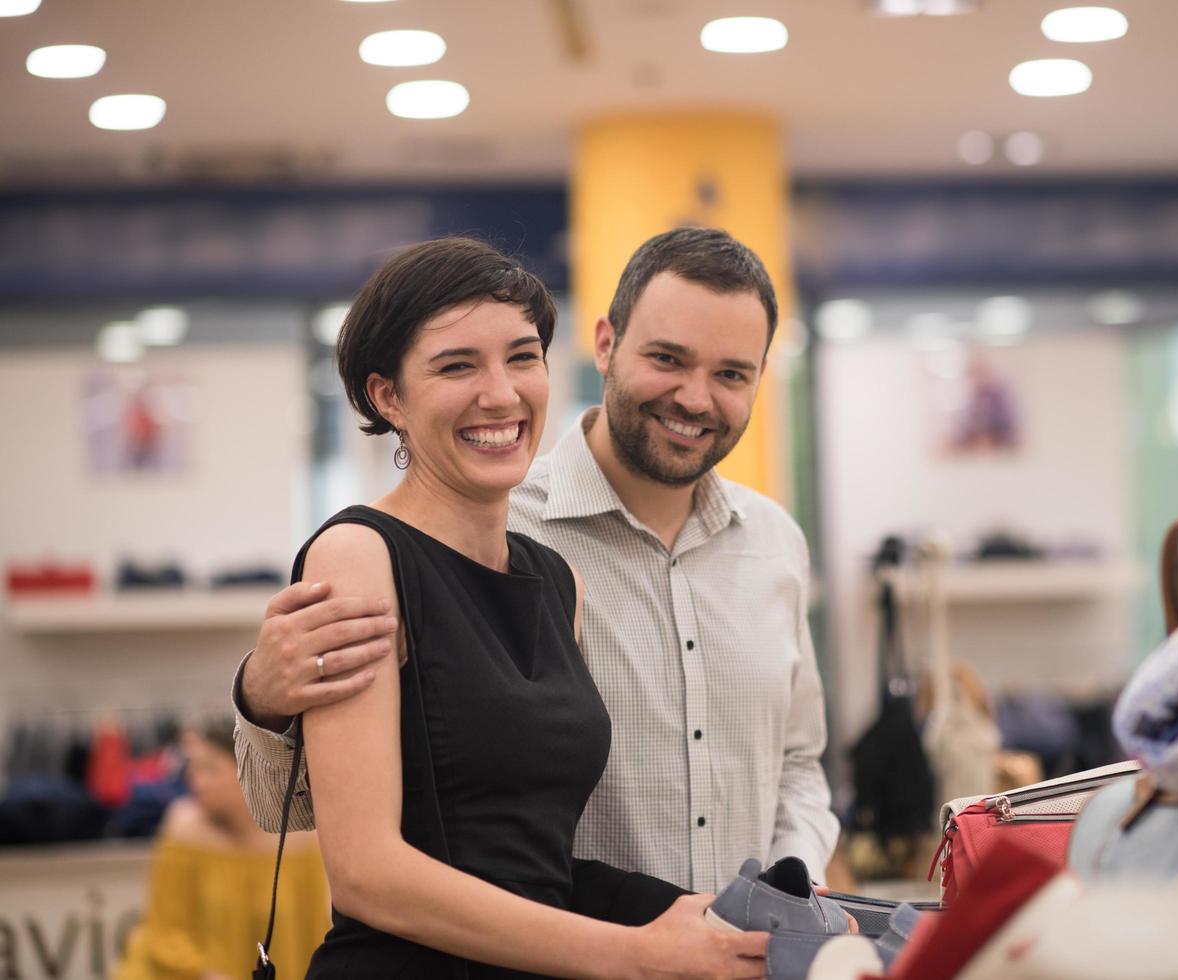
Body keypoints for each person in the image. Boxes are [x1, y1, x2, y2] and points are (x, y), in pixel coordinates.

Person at [234, 227, 840, 894]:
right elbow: (291, 813)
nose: (695, 398)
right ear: (604, 344)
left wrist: (792, 889)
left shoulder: (775, 545)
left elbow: (797, 762)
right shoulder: (483, 536)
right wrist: (265, 699)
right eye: (667, 359)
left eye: (730, 373)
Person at [114, 716, 330, 980]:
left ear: (247, 768)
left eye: (211, 769)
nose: (198, 783)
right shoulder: (184, 829)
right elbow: (165, 932)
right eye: (193, 770)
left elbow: (314, 933)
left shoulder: (303, 839)